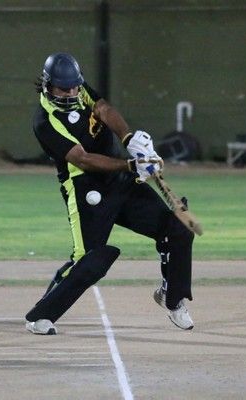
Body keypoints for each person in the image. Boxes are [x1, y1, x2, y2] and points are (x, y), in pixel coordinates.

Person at [25, 53, 195, 335]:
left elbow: (103, 109)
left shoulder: (79, 89)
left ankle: (172, 296)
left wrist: (129, 139)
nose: (71, 93)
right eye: (64, 89)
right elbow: (82, 159)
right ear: (48, 85)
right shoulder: (45, 121)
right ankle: (41, 315)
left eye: (74, 87)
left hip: (120, 180)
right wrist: (131, 165)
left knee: (177, 228)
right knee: (88, 260)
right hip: (85, 188)